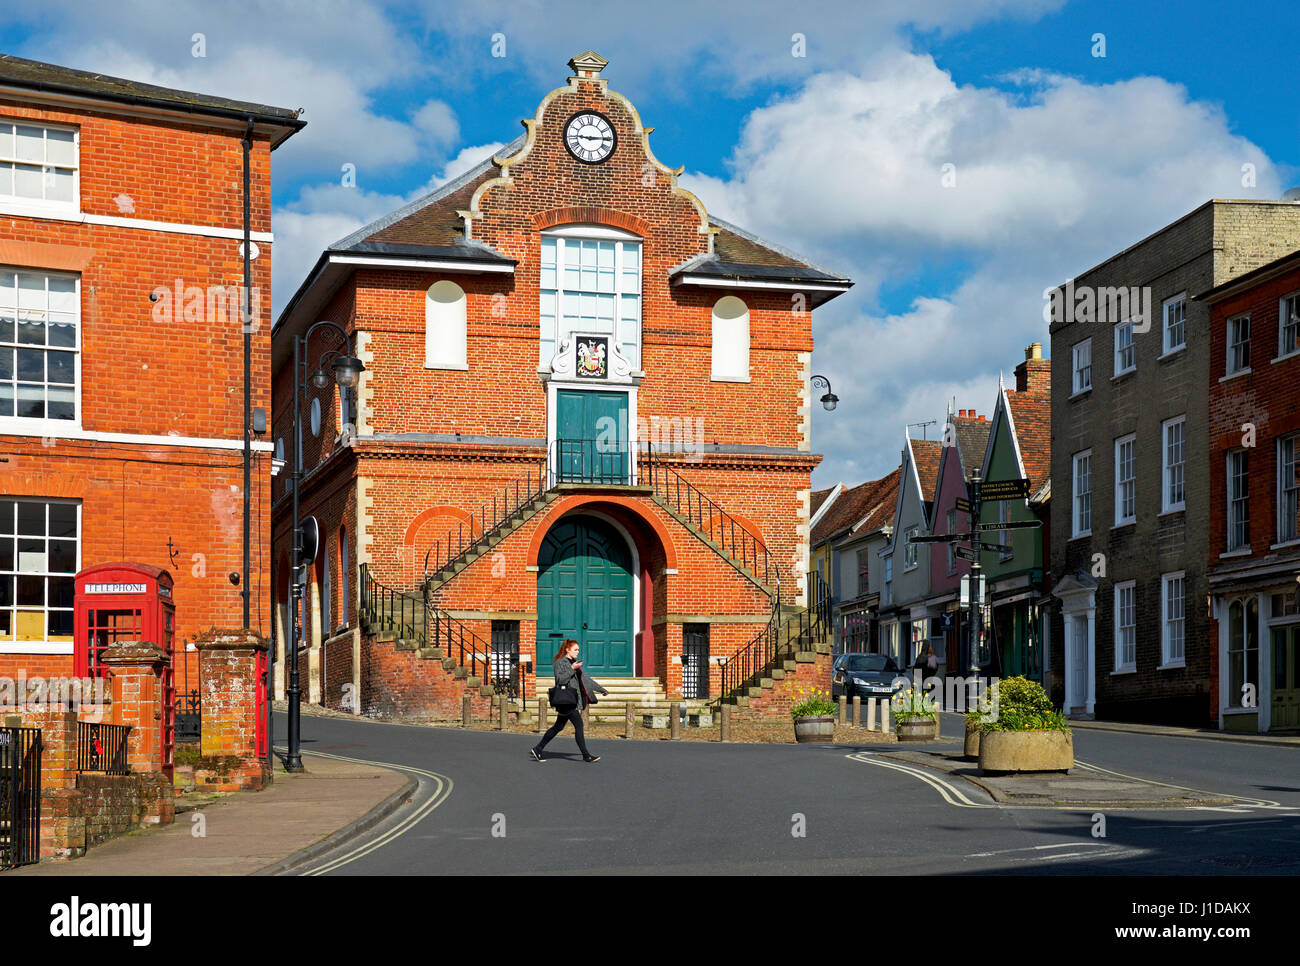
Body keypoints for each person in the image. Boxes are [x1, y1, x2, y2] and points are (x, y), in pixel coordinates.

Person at [531, 639, 608, 763]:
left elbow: (586, 679)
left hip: (571, 700)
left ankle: (538, 749)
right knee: (579, 725)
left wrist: (601, 689)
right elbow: (561, 679)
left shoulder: (574, 663)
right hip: (566, 700)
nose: (578, 652)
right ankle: (586, 755)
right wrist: (572, 668)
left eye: (578, 650)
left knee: (558, 727)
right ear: (567, 650)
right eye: (575, 649)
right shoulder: (560, 662)